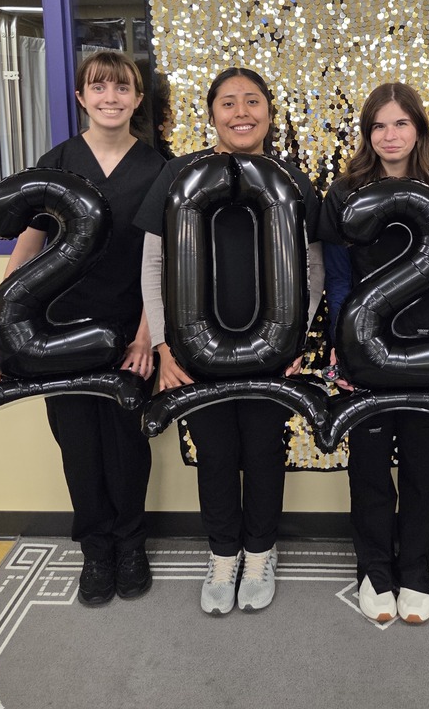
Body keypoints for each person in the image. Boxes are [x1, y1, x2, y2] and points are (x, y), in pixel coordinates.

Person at [0, 51, 165, 607]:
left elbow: (162, 265)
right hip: (56, 333)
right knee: (78, 445)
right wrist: (2, 338)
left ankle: (131, 545)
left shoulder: (159, 168)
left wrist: (145, 336)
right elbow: (26, 248)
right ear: (81, 97)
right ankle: (96, 550)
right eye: (98, 87)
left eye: (122, 87)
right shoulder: (57, 163)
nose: (111, 97)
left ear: (137, 98)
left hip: (127, 332)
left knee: (127, 443)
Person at [135, 67, 323, 615]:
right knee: (215, 452)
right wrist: (164, 345)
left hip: (271, 351)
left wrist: (294, 337)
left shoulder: (291, 179)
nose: (241, 112)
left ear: (269, 110)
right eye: (228, 102)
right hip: (196, 351)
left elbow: (314, 266)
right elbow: (153, 264)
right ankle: (222, 554)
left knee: (263, 450)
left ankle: (260, 552)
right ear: (212, 112)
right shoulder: (179, 173)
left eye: (253, 100)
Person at [319, 82, 429, 625]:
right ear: (367, 134)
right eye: (379, 125)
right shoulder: (343, 195)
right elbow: (338, 280)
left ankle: (416, 572)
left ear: (419, 129)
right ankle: (374, 572)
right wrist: (341, 345)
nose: (390, 135)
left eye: (401, 123)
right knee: (369, 469)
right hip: (366, 352)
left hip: (427, 348)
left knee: (422, 471)